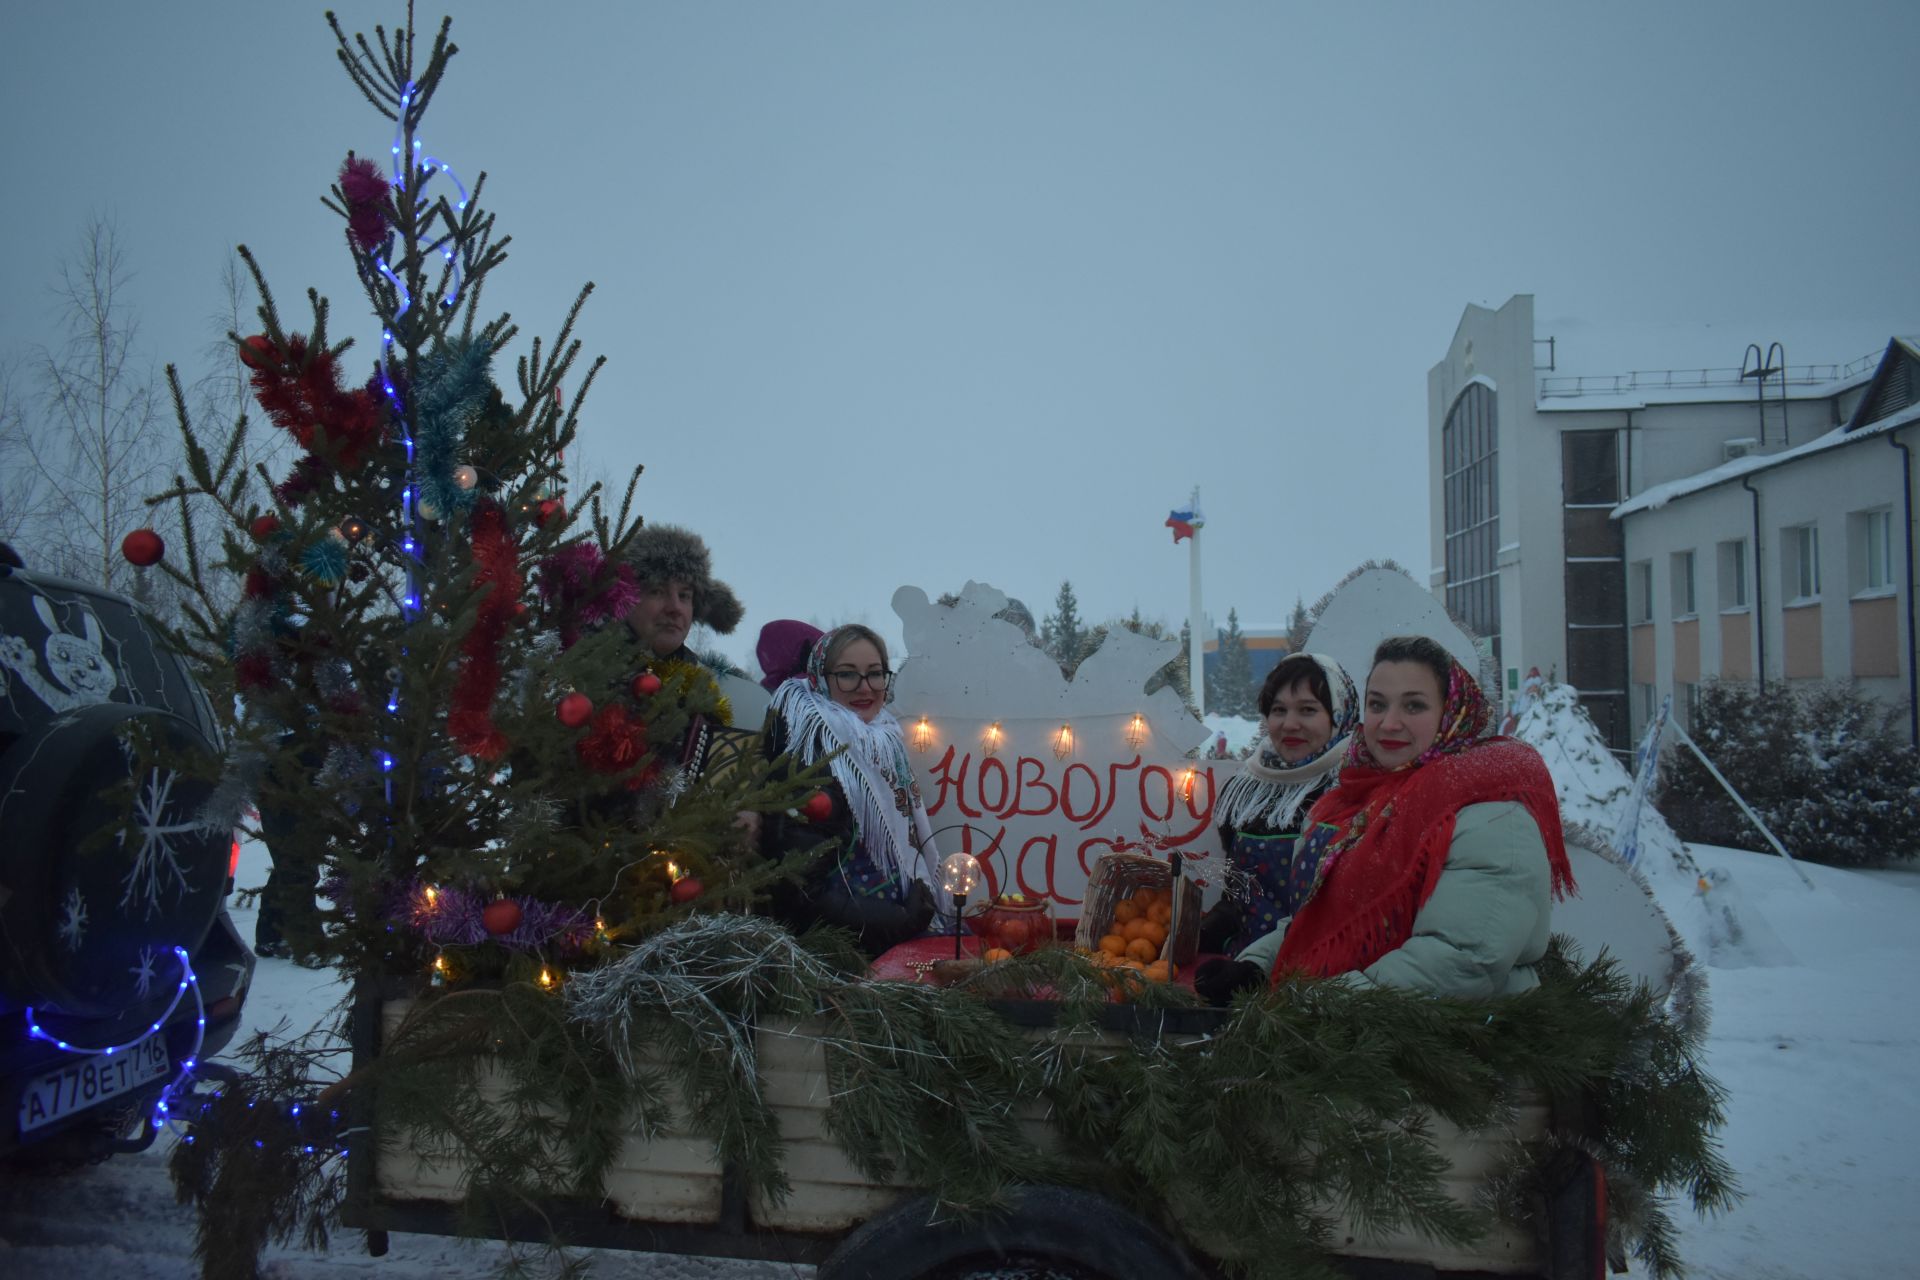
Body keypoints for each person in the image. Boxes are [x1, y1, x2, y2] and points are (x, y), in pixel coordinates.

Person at [1201, 635, 1574, 1003]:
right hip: (1350, 1030)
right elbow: (1317, 920)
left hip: (1445, 1045)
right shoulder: (1357, 804)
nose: (1389, 723)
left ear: (1452, 711)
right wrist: (1255, 968)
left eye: (1413, 706)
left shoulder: (1493, 816)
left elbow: (1461, 962)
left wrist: (1324, 1002)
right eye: (1378, 705)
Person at [754, 620, 945, 955]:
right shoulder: (809, 753)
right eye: (846, 674)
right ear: (819, 679)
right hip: (840, 956)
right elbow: (801, 889)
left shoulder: (883, 742)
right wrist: (898, 920)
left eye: (874, 673)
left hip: (884, 940)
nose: (865, 687)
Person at [1197, 652, 1358, 958]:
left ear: (1340, 715)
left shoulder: (1356, 789)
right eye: (1278, 710)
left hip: (1323, 975)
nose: (1289, 724)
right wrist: (1205, 932)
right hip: (1240, 971)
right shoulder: (1245, 791)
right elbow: (1237, 897)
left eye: (1308, 710)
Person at [619, 523, 750, 782]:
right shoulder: (583, 675)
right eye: (657, 591)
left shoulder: (715, 693)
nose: (675, 608)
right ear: (627, 597)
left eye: (685, 595)